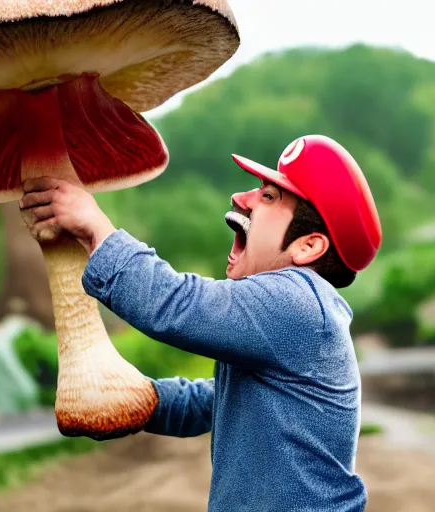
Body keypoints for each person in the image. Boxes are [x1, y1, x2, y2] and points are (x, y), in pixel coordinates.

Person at [19, 134, 382, 512]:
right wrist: (146, 400)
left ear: (307, 246)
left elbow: (178, 303)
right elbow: (213, 401)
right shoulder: (287, 321)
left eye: (270, 197)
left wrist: (97, 228)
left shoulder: (298, 301)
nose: (243, 199)